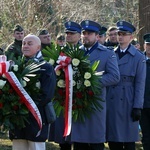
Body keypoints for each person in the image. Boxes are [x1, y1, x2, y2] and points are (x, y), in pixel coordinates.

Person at [70, 20, 120, 150]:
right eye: (84, 33)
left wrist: (90, 81)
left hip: (95, 102)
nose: (85, 36)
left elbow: (114, 76)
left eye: (89, 33)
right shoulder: (75, 52)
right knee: (79, 142)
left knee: (95, 141)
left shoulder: (107, 53)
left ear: (97, 36)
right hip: (78, 102)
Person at [9, 34, 56, 150]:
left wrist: (27, 106)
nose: (25, 46)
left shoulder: (46, 68)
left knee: (35, 146)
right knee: (18, 146)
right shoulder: (15, 66)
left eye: (30, 44)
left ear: (38, 47)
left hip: (36, 117)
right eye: (24, 43)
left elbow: (47, 94)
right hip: (18, 117)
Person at [106, 21, 146, 150]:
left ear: (131, 37)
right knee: (113, 140)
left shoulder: (138, 57)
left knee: (128, 141)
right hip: (112, 97)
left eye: (124, 34)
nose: (120, 36)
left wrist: (137, 106)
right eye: (119, 34)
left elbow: (140, 84)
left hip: (128, 99)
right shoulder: (110, 54)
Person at [49, 21, 82, 150]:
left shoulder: (84, 52)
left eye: (72, 33)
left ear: (79, 35)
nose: (68, 36)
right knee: (64, 139)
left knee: (80, 137)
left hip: (79, 98)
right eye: (67, 33)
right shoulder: (59, 52)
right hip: (63, 97)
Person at [140, 33, 150, 150]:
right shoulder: (139, 60)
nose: (149, 47)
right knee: (146, 135)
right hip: (142, 104)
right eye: (148, 45)